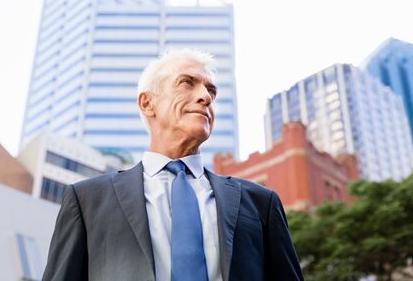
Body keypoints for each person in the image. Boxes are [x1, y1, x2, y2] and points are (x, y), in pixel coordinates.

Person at [42, 49, 304, 281]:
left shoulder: (261, 203)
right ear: (147, 103)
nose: (205, 97)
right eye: (186, 83)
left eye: (211, 90)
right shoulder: (87, 200)